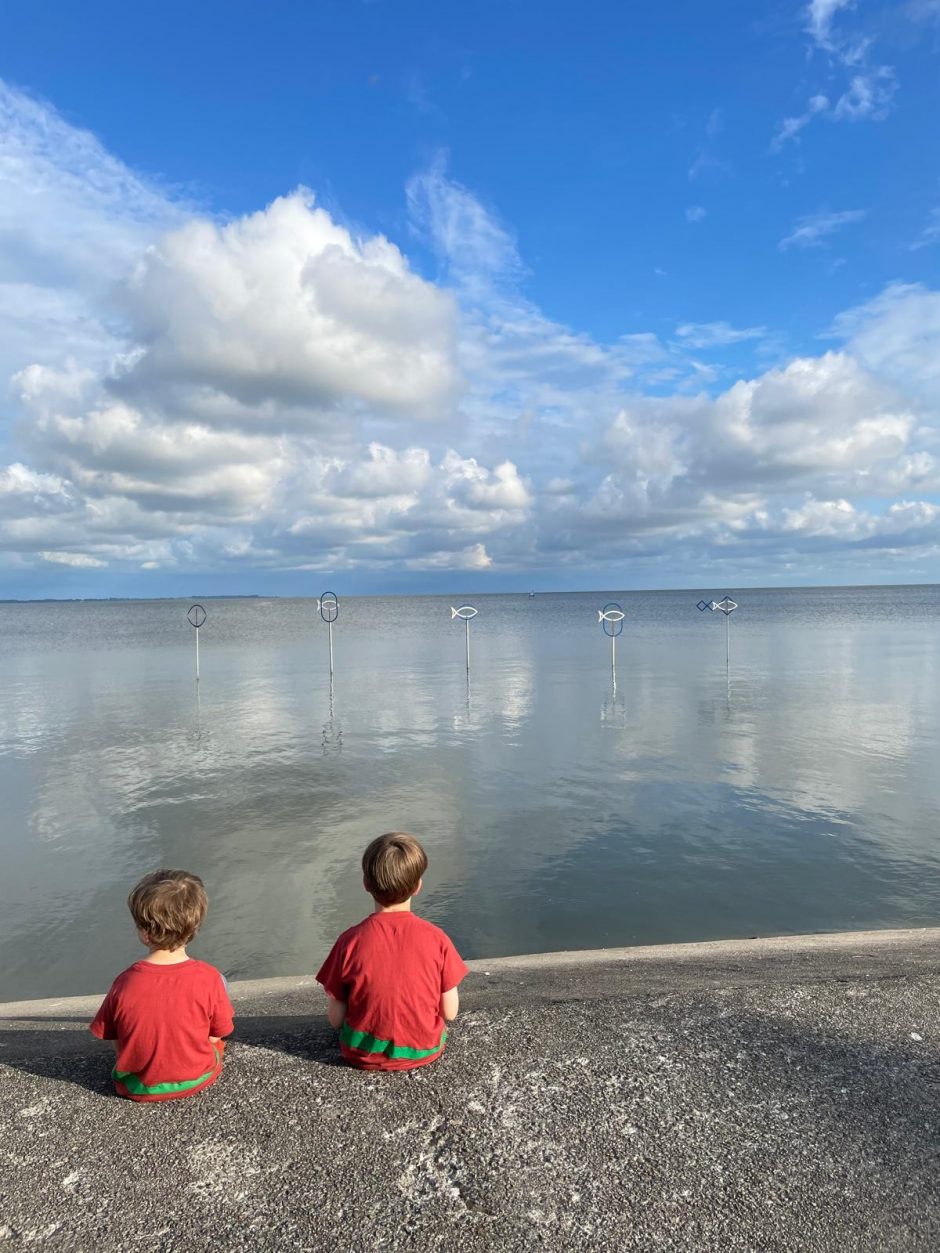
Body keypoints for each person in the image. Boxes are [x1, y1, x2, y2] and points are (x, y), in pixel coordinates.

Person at [317, 832, 468, 1071]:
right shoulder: (437, 938)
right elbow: (450, 1013)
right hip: (425, 1050)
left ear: (366, 884)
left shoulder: (349, 941)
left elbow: (335, 1021)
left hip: (360, 1054)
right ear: (418, 886)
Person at [89, 869, 234, 1102]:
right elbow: (218, 1034)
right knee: (221, 983)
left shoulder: (124, 983)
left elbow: (111, 1035)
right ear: (194, 928)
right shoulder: (208, 977)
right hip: (198, 1077)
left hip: (138, 1086)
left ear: (145, 934)